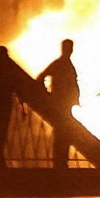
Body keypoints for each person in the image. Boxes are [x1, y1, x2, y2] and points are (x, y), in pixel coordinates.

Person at [37, 38, 80, 168]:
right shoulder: (61, 64)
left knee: (64, 132)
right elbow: (42, 76)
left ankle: (60, 161)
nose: (69, 50)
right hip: (62, 104)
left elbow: (42, 76)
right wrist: (48, 95)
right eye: (67, 48)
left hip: (65, 104)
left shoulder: (63, 63)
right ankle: (60, 161)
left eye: (70, 48)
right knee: (63, 132)